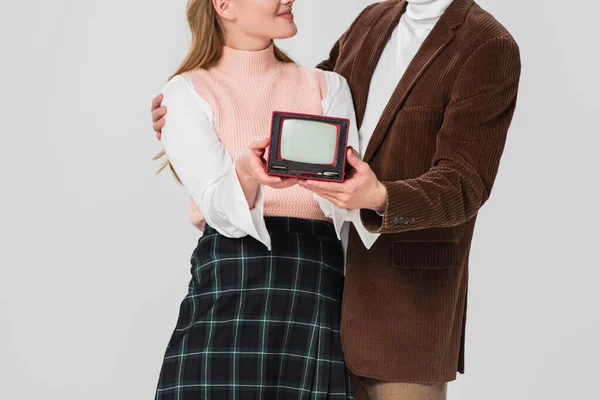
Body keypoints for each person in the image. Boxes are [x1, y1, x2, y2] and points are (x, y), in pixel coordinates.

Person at [152, 0, 522, 399]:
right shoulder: (373, 19)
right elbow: (304, 118)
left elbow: (465, 183)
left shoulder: (488, 43)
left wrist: (380, 197)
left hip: (399, 304)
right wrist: (186, 122)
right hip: (291, 287)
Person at [150, 0, 382, 399]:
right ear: (224, 5)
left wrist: (357, 190)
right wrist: (245, 174)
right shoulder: (187, 90)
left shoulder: (327, 86)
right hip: (230, 281)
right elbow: (217, 209)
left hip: (315, 281)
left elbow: (344, 207)